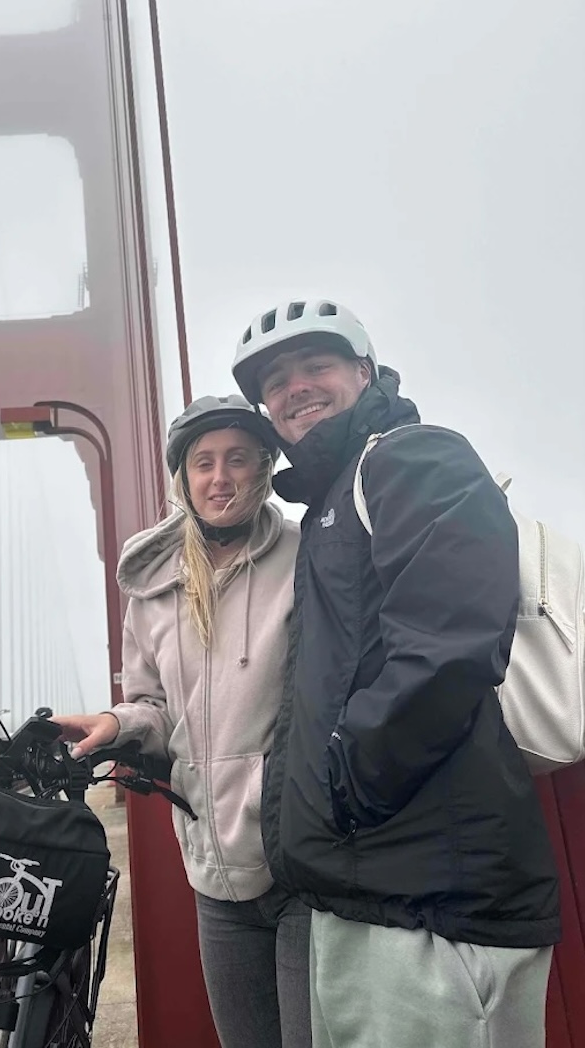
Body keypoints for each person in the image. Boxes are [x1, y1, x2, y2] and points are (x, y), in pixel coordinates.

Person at [230, 298, 560, 1048]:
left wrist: (347, 787)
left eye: (316, 365)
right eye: (277, 381)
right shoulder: (325, 509)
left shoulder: (411, 457)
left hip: (434, 904)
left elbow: (449, 643)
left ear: (366, 371)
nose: (296, 388)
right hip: (372, 887)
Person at [53, 395, 311, 1048]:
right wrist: (116, 723)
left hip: (302, 864)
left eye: (237, 460)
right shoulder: (151, 584)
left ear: (264, 468)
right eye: (203, 462)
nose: (219, 476)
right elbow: (152, 703)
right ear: (183, 478)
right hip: (213, 871)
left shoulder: (307, 557)